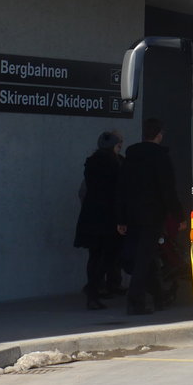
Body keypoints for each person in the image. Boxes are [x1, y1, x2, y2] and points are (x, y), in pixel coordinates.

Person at [117, 118, 184, 315]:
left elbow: (121, 189)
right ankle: (135, 301)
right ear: (159, 135)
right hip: (152, 214)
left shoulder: (130, 157)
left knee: (145, 257)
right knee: (145, 258)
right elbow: (168, 190)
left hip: (131, 215)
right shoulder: (160, 157)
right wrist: (178, 216)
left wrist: (120, 218)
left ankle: (158, 296)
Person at [73, 130, 125, 309]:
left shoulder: (92, 163)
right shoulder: (115, 165)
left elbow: (84, 191)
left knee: (95, 256)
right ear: (114, 146)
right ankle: (97, 289)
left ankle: (94, 291)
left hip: (91, 217)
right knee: (107, 256)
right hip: (107, 217)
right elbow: (118, 193)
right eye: (119, 145)